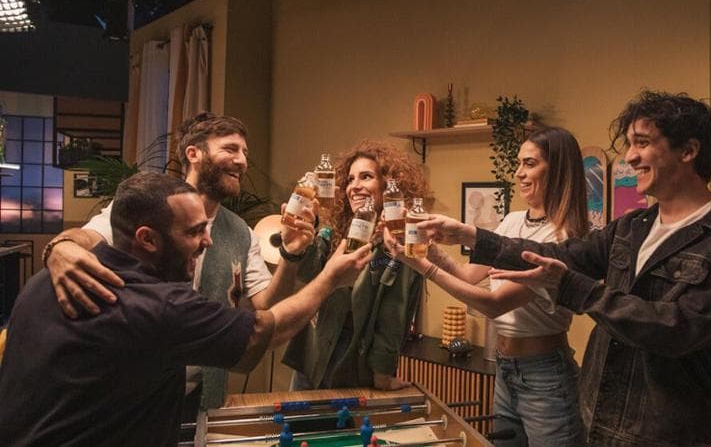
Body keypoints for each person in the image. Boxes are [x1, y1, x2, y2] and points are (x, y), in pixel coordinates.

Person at [417, 91, 711, 446]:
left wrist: (571, 286)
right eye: (629, 144)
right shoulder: (631, 227)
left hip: (668, 432)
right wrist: (471, 235)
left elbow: (678, 328)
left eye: (642, 143)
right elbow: (556, 254)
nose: (630, 156)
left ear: (689, 150)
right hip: (599, 416)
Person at [0, 173, 371, 446]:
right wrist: (329, 279)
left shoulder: (44, 279)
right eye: (194, 232)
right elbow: (264, 331)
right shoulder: (159, 306)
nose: (207, 241)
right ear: (147, 238)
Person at [42, 113, 315, 411]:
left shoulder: (242, 233)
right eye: (230, 149)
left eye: (245, 153)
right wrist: (61, 246)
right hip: (136, 394)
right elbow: (87, 237)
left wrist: (290, 255)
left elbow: (264, 305)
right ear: (193, 154)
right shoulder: (152, 206)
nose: (242, 161)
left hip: (203, 395)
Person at [383, 127, 588, 446]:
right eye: (518, 163)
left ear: (558, 169)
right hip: (506, 368)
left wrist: (420, 266)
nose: (519, 173)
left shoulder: (563, 237)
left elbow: (494, 304)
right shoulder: (512, 221)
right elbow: (467, 275)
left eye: (530, 163)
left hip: (545, 374)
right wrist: (427, 248)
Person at [282, 140, 430, 391]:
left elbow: (393, 313)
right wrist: (297, 244)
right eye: (350, 179)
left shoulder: (398, 243)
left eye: (366, 177)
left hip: (350, 361)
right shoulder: (334, 231)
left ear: (388, 185)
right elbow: (307, 275)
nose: (355, 186)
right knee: (297, 417)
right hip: (312, 354)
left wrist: (382, 373)